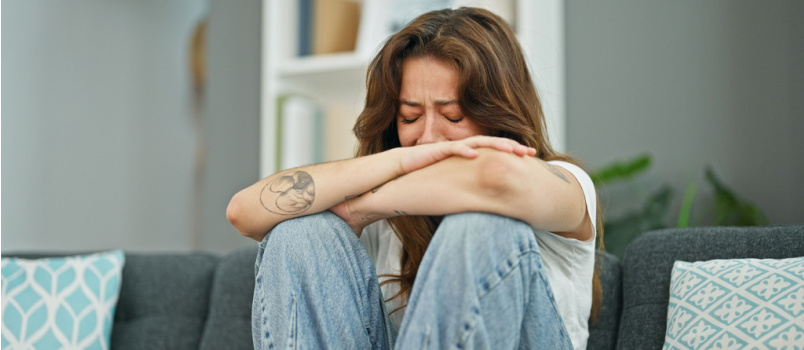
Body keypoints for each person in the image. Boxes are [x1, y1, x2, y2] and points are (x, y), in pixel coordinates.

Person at [227, 7, 602, 350]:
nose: (429, 137)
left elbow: (496, 175)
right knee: (303, 234)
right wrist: (398, 159)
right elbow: (244, 212)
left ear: (497, 113)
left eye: (453, 116)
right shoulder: (394, 208)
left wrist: (360, 209)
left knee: (482, 226)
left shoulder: (568, 184)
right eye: (410, 117)